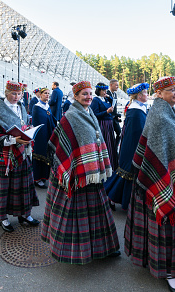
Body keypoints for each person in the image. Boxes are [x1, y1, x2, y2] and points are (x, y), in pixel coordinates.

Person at [125, 76, 175, 292]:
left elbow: (170, 145)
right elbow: (162, 149)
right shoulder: (161, 116)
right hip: (163, 179)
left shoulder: (168, 111)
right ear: (160, 93)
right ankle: (167, 270)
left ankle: (157, 262)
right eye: (171, 90)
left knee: (159, 222)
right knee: (165, 221)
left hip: (163, 175)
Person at [41, 80, 120, 264]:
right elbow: (59, 143)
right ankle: (74, 252)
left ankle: (103, 248)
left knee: (97, 213)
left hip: (91, 173)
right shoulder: (70, 116)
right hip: (76, 175)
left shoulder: (90, 112)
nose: (89, 97)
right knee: (75, 215)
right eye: (84, 94)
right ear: (75, 96)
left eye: (90, 93)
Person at [0, 80, 39, 232]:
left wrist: (28, 131)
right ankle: (2, 218)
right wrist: (14, 139)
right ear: (7, 93)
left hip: (21, 153)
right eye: (13, 93)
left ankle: (24, 214)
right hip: (4, 156)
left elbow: (23, 124)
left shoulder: (21, 107)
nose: (16, 97)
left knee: (23, 186)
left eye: (19, 94)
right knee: (4, 189)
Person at [104, 82, 149, 211]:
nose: (147, 94)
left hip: (131, 146)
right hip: (133, 147)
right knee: (127, 173)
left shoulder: (137, 108)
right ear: (139, 95)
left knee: (126, 173)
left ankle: (116, 197)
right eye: (145, 92)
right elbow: (139, 133)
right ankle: (112, 196)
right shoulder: (136, 111)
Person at [31, 87, 56, 189]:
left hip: (48, 135)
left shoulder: (47, 106)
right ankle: (37, 178)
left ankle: (44, 177)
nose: (47, 95)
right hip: (40, 136)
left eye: (48, 93)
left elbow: (51, 119)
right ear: (40, 95)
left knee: (47, 155)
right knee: (39, 155)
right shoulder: (36, 107)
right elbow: (38, 123)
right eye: (45, 93)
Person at [91, 82, 118, 171]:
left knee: (110, 143)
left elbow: (113, 102)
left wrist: (108, 97)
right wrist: (106, 112)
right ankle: (102, 165)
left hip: (109, 124)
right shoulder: (96, 100)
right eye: (103, 90)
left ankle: (111, 164)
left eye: (105, 90)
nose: (105, 92)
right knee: (104, 143)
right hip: (102, 124)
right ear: (98, 90)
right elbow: (95, 114)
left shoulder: (105, 99)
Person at [106, 79, 122, 147]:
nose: (117, 87)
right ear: (111, 85)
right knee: (110, 135)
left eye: (118, 85)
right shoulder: (106, 93)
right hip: (108, 117)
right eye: (116, 85)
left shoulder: (115, 94)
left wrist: (117, 115)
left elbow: (114, 106)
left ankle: (115, 147)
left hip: (115, 118)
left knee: (119, 133)